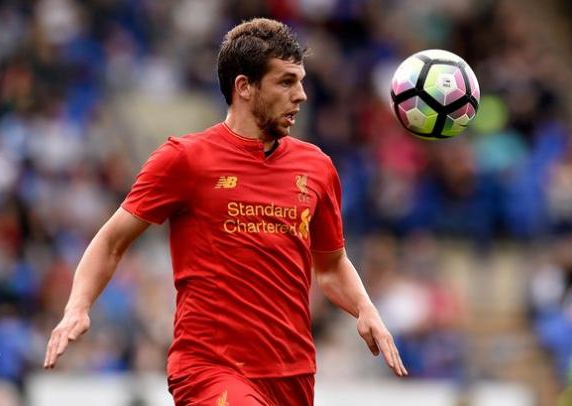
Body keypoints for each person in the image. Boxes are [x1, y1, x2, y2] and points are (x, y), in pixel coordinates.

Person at [43, 18, 407, 405]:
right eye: (285, 81)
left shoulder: (316, 167)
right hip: (211, 369)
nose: (300, 95)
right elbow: (112, 241)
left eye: (300, 81)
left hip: (293, 374)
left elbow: (331, 266)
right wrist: (77, 308)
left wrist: (365, 309)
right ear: (244, 87)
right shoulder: (184, 159)